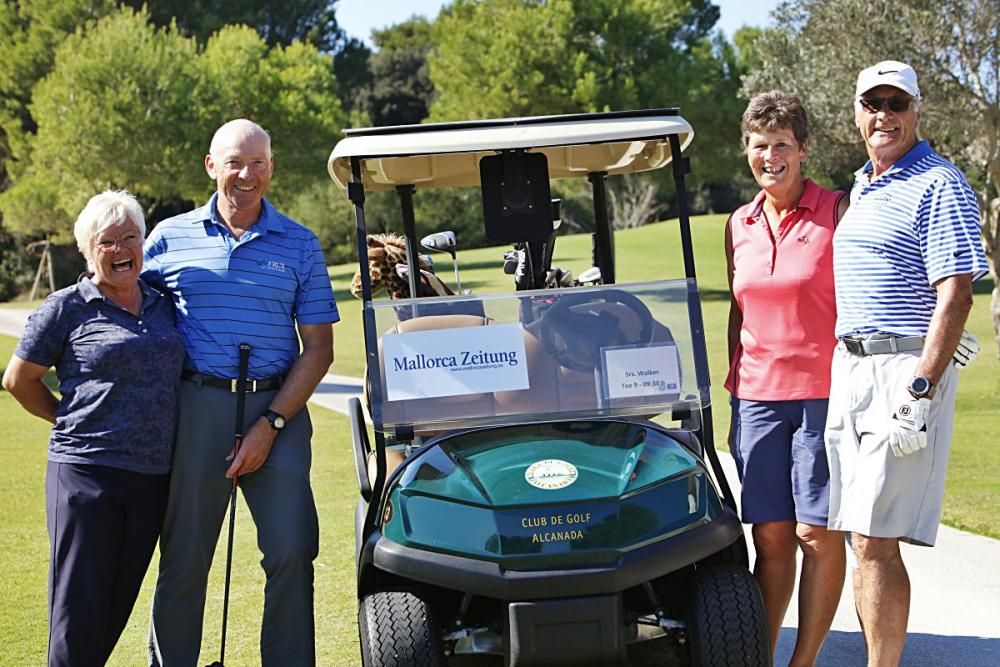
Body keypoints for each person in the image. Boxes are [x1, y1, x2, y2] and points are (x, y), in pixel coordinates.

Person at [143, 118, 339, 666]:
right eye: (234, 162)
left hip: (278, 410)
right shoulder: (166, 238)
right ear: (211, 166)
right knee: (184, 557)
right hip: (197, 408)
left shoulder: (301, 245)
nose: (246, 174)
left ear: (271, 168)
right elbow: (134, 319)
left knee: (291, 550)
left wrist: (269, 425)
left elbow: (318, 349)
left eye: (257, 163)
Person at [826, 61, 988, 666]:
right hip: (853, 370)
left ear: (918, 111)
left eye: (896, 103)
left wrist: (922, 387)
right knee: (857, 536)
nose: (883, 115)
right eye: (873, 104)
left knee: (876, 539)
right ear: (858, 112)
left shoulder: (940, 183)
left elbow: (957, 294)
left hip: (902, 374)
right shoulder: (863, 186)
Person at [2, 191, 185, 666]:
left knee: (114, 607)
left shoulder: (165, 305)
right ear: (87, 250)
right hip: (85, 475)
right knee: (77, 610)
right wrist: (66, 418)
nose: (122, 249)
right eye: (108, 241)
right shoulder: (65, 307)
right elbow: (18, 380)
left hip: (150, 478)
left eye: (130, 237)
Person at [725, 91, 848, 665]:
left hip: (824, 397)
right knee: (770, 537)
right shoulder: (738, 223)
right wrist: (734, 399)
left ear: (802, 149)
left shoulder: (837, 211)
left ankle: (803, 660)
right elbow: (737, 310)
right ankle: (760, 656)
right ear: (746, 150)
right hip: (756, 400)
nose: (769, 155)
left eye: (781, 144)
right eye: (759, 145)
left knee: (815, 534)